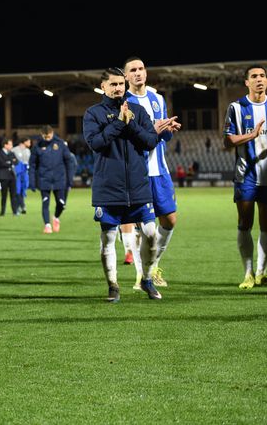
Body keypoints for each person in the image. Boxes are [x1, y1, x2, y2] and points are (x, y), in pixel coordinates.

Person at [83, 67, 163, 302]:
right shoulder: (93, 113)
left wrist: (131, 124)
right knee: (107, 238)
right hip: (108, 188)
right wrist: (119, 122)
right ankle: (113, 286)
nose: (118, 88)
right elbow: (96, 143)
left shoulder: (137, 111)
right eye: (113, 84)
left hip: (139, 187)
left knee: (151, 234)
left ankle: (147, 279)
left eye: (121, 84)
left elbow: (150, 142)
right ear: (103, 86)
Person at [121, 57, 182, 290]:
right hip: (136, 172)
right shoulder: (123, 101)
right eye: (133, 70)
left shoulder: (157, 99)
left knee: (170, 219)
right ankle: (142, 275)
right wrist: (152, 130)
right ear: (126, 76)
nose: (138, 73)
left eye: (141, 69)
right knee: (142, 228)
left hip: (160, 170)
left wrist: (168, 129)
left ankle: (153, 265)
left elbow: (163, 137)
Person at [223, 64, 267, 289]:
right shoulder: (236, 107)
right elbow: (227, 141)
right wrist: (252, 135)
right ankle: (248, 273)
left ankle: (261, 272)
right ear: (246, 82)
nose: (259, 79)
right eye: (254, 76)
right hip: (246, 176)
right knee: (245, 223)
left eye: (262, 75)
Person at [30, 125, 74, 234]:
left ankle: (56, 217)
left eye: (49, 137)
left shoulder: (60, 144)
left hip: (60, 179)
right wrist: (32, 181)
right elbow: (32, 165)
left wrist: (70, 180)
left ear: (52, 133)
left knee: (61, 203)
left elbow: (69, 162)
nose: (47, 139)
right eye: (45, 137)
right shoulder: (37, 146)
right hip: (44, 179)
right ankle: (47, 225)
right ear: (41, 135)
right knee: (45, 203)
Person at [0, 139, 18, 216]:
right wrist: (11, 162)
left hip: (12, 176)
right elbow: (1, 163)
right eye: (10, 144)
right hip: (4, 176)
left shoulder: (12, 153)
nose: (11, 146)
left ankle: (15, 211)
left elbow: (16, 162)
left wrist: (9, 162)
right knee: (4, 195)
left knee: (13, 195)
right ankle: (2, 211)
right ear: (5, 145)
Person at [12, 137, 32, 213]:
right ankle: (21, 206)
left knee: (24, 189)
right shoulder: (14, 150)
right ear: (24, 142)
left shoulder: (28, 151)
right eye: (29, 142)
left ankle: (20, 206)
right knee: (18, 189)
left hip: (25, 172)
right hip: (17, 172)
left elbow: (28, 162)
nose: (30, 143)